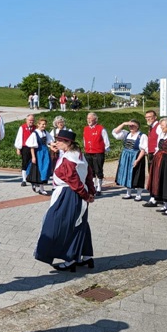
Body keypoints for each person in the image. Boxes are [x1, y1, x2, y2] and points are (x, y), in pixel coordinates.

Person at [34, 129, 95, 272]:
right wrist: (90, 192)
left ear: (68, 143)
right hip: (77, 193)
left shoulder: (69, 158)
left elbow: (72, 178)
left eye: (60, 141)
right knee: (79, 223)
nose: (57, 142)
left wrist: (86, 195)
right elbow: (88, 174)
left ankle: (70, 258)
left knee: (56, 223)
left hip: (68, 194)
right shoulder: (78, 155)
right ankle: (86, 256)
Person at [112, 120, 148, 201]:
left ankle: (138, 194)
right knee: (127, 173)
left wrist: (137, 160)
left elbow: (143, 149)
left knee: (137, 174)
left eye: (133, 125)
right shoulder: (126, 133)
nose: (131, 127)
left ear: (137, 126)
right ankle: (128, 193)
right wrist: (123, 123)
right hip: (126, 156)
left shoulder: (142, 136)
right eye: (130, 125)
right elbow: (115, 132)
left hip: (136, 156)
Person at [83, 113, 110, 195]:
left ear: (95, 119)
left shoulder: (101, 128)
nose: (88, 120)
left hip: (98, 152)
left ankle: (99, 188)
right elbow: (84, 139)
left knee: (98, 170)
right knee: (90, 171)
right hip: (88, 152)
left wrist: (106, 149)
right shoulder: (86, 129)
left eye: (90, 118)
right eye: (87, 118)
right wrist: (85, 147)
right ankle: (93, 186)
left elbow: (106, 140)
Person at [25, 117, 54, 195]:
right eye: (42, 124)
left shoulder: (45, 132)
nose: (44, 126)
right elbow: (32, 147)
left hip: (45, 152)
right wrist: (33, 157)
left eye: (45, 124)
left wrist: (55, 145)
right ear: (38, 124)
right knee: (38, 169)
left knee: (45, 169)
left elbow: (50, 142)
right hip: (38, 153)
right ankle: (35, 184)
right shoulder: (35, 133)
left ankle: (41, 188)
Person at [144, 110, 163, 204]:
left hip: (156, 154)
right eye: (146, 117)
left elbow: (161, 140)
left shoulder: (158, 127)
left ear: (155, 117)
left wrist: (156, 152)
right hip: (151, 153)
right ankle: (157, 196)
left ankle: (154, 198)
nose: (148, 119)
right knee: (152, 175)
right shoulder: (151, 127)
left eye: (150, 117)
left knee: (155, 176)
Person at [14, 114, 36, 187]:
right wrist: (18, 148)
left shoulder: (35, 128)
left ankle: (33, 179)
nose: (31, 122)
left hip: (33, 148)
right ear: (26, 120)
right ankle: (24, 180)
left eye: (32, 120)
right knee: (25, 163)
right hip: (25, 147)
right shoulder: (22, 127)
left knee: (33, 163)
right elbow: (19, 138)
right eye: (30, 120)